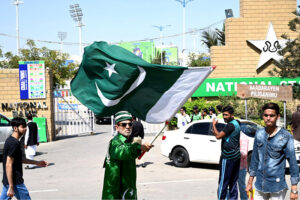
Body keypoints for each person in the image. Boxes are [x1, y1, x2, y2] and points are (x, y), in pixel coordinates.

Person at [246, 102, 299, 200]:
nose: (268, 118)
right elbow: (254, 159)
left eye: (271, 115)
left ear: (278, 116)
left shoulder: (285, 136)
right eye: (266, 115)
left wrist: (294, 189)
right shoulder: (259, 134)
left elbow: (293, 163)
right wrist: (250, 182)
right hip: (259, 185)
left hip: (277, 187)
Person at [102, 111, 152, 199]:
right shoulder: (115, 142)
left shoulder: (128, 141)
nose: (128, 127)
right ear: (117, 127)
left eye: (130, 124)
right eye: (124, 124)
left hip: (128, 188)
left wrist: (143, 149)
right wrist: (139, 148)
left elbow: (131, 154)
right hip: (116, 193)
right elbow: (124, 152)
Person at [0, 117, 48, 200]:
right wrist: (11, 186)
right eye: (23, 127)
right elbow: (8, 164)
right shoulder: (13, 143)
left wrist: (37, 163)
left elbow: (20, 159)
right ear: (15, 128)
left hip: (8, 181)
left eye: (25, 126)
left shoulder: (12, 141)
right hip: (15, 182)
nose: (25, 129)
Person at [212, 105, 241, 200]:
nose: (224, 117)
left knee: (223, 182)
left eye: (226, 115)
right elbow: (223, 135)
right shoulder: (237, 123)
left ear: (232, 115)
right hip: (236, 157)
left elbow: (218, 136)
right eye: (223, 115)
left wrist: (213, 125)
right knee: (233, 182)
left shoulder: (230, 125)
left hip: (228, 158)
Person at [238, 132, 249, 200]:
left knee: (242, 187)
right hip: (232, 167)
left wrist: (234, 151)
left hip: (241, 168)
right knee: (230, 187)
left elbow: (244, 153)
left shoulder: (243, 137)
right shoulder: (232, 135)